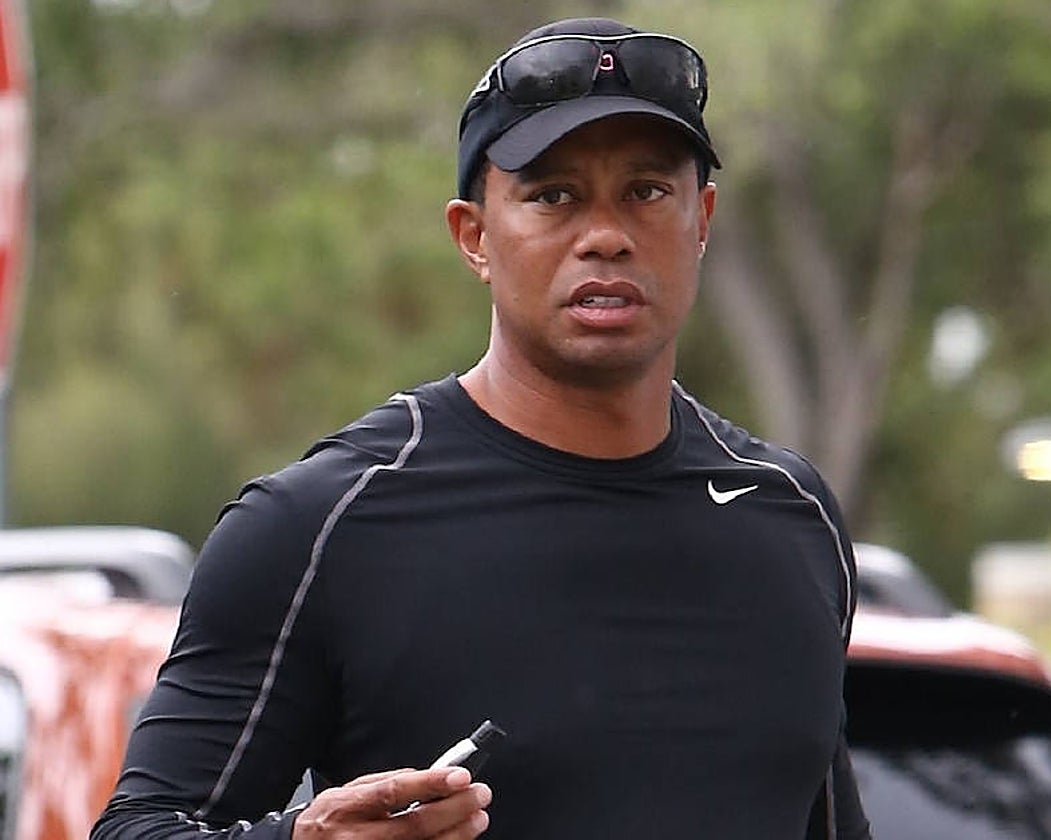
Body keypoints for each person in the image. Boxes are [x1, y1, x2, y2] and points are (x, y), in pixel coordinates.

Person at [92, 16, 871, 840]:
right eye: (553, 196)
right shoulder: (318, 526)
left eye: (647, 192)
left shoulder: (791, 516)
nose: (606, 237)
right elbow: (137, 828)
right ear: (475, 238)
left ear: (701, 220)